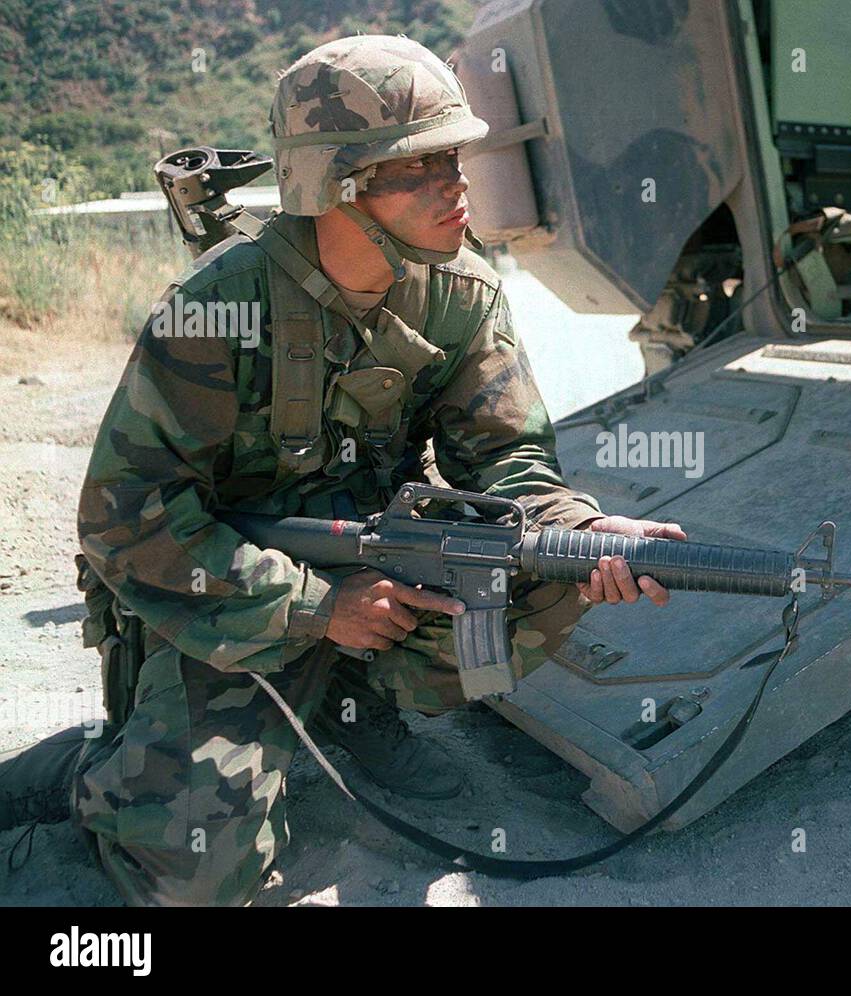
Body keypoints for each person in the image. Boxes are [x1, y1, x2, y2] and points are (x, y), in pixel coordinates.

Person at [0, 34, 683, 905]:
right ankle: (90, 781)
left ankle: (348, 709)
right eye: (419, 167)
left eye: (456, 159)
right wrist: (317, 611)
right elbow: (124, 517)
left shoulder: (461, 294)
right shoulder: (219, 308)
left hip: (373, 566)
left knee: (539, 569)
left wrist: (582, 532)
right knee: (199, 876)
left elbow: (507, 457)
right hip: (231, 595)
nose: (458, 187)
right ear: (336, 187)